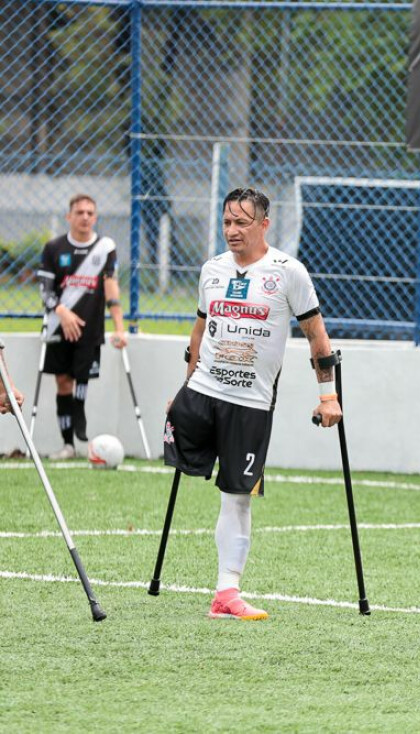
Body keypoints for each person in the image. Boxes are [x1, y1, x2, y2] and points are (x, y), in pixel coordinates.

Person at [163, 187, 343, 621]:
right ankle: (224, 593)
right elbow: (199, 332)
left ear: (264, 224)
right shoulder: (211, 270)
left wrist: (328, 396)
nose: (232, 230)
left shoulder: (288, 272)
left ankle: (226, 592)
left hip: (251, 404)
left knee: (237, 496)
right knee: (189, 471)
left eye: (241, 223)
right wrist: (184, 388)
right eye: (227, 222)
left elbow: (317, 337)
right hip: (202, 393)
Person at [36, 194, 128, 459]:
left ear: (95, 218)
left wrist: (119, 328)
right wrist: (62, 312)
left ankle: (79, 410)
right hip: (59, 325)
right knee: (63, 381)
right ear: (69, 217)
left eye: (90, 213)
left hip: (90, 328)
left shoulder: (105, 248)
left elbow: (111, 288)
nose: (85, 217)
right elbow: (45, 290)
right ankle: (67, 445)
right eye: (79, 212)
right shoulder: (53, 248)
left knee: (82, 376)